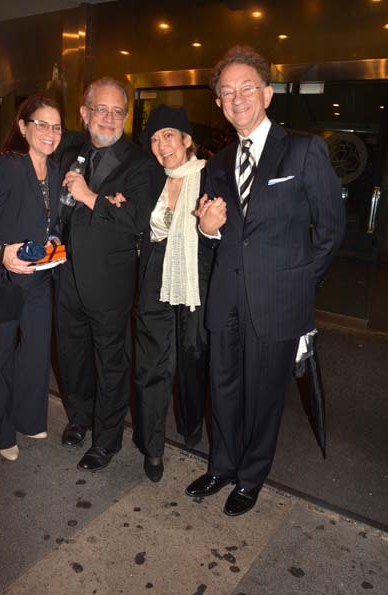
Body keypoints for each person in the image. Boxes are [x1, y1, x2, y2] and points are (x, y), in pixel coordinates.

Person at [186, 45, 346, 516]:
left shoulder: (304, 149)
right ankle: (222, 465)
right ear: (217, 101)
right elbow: (216, 235)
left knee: (262, 395)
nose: (237, 98)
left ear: (267, 94)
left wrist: (297, 286)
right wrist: (206, 229)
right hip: (227, 298)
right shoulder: (216, 164)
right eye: (227, 91)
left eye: (247, 88)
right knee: (224, 386)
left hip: (278, 301)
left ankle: (251, 475)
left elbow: (331, 231)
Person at [56, 77, 153, 472]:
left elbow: (136, 218)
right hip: (65, 277)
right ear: (84, 113)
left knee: (111, 362)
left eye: (118, 112)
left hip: (109, 283)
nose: (109, 119)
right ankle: (79, 418)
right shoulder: (69, 151)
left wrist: (90, 197)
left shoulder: (139, 163)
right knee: (72, 355)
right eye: (102, 109)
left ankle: (107, 438)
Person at [131, 104, 225, 482]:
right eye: (154, 139)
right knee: (151, 365)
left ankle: (190, 424)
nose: (161, 145)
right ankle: (152, 448)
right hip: (155, 278)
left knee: (191, 356)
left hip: (197, 282)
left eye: (168, 135)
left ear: (187, 140)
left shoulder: (212, 177)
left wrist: (208, 230)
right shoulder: (150, 178)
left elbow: (227, 237)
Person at [0, 94, 63, 461]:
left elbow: (54, 218)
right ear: (23, 127)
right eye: (42, 124)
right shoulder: (7, 167)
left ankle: (28, 416)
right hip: (3, 278)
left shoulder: (57, 171)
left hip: (40, 279)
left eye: (56, 126)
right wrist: (1, 252)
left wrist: (54, 239)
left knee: (35, 351)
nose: (50, 132)